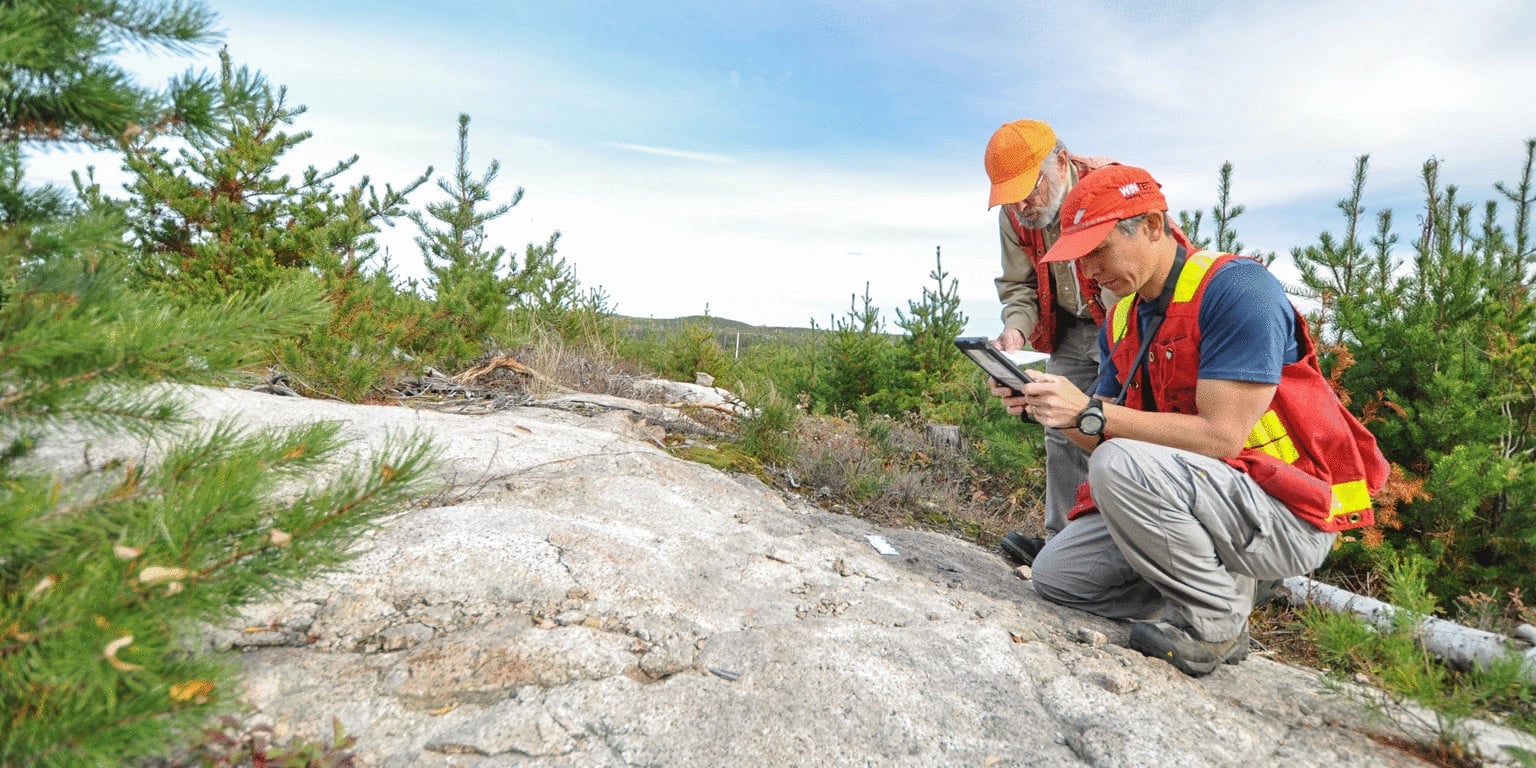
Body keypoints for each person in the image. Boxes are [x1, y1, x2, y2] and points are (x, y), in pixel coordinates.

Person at [993, 165, 1389, 677]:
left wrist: (1090, 412)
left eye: (1099, 249)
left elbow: (1222, 436)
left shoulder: (1238, 288)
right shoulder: (1122, 317)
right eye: (1078, 257)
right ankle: (1213, 586)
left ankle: (1218, 622)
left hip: (1288, 509)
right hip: (1211, 496)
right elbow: (1100, 434)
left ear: (1154, 226)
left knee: (1117, 460)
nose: (1088, 272)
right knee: (1058, 577)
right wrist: (1048, 409)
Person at [983, 119, 1115, 565]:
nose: (1022, 203)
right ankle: (1063, 544)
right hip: (1070, 330)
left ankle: (1123, 554)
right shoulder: (1016, 215)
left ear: (1061, 163)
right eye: (1009, 193)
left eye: (1030, 187)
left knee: (1118, 428)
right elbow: (1018, 287)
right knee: (1059, 426)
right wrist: (1016, 331)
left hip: (1125, 326)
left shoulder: (1107, 192)